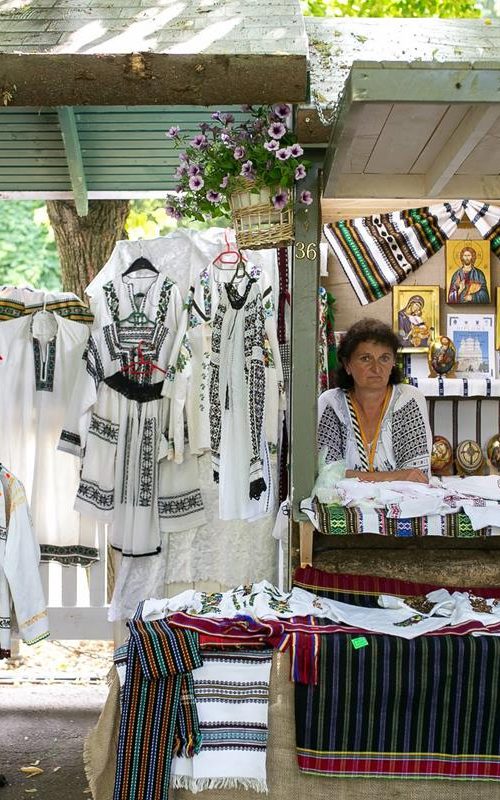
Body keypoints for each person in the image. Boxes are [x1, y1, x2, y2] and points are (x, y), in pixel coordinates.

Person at [317, 318, 432, 483]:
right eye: (366, 358)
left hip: (399, 499)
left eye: (384, 358)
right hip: (343, 500)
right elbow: (326, 476)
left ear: (393, 362)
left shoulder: (408, 400)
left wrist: (352, 476)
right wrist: (396, 476)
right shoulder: (331, 403)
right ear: (347, 364)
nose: (376, 368)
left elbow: (417, 476)